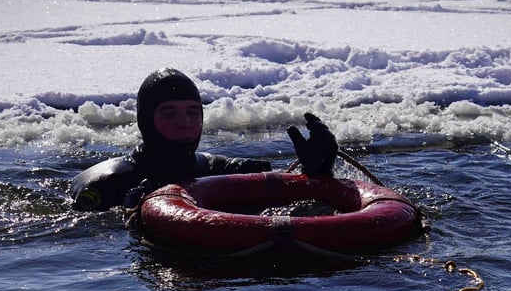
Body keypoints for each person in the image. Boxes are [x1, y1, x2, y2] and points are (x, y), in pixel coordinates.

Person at [71, 67, 338, 211]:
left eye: (192, 112)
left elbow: (286, 195)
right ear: (145, 120)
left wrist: (317, 172)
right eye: (169, 113)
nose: (185, 122)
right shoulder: (112, 181)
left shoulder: (220, 169)